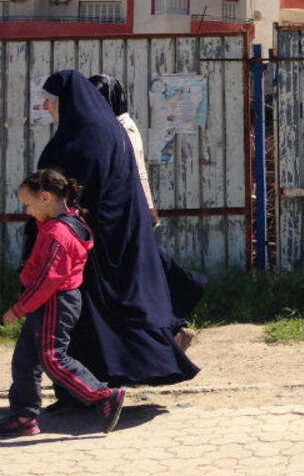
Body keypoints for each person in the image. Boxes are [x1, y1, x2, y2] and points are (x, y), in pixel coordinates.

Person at [28, 70, 200, 390]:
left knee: (110, 308)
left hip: (93, 238)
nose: (47, 109)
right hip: (103, 233)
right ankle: (94, 384)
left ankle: (94, 387)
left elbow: (90, 186)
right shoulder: (100, 131)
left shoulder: (93, 135)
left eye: (51, 103)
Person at [2, 169, 126, 437]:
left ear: (45, 197)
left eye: (28, 204)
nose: (27, 211)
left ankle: (103, 395)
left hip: (55, 302)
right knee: (25, 359)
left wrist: (19, 308)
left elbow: (49, 279)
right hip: (49, 300)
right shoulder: (62, 222)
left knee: (52, 358)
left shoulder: (58, 234)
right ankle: (24, 416)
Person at [89, 73, 204, 350]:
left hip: (129, 217)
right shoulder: (120, 125)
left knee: (137, 279)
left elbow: (135, 175)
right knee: (141, 277)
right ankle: (172, 328)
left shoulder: (120, 128)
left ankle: (172, 324)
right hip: (133, 215)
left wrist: (145, 211)